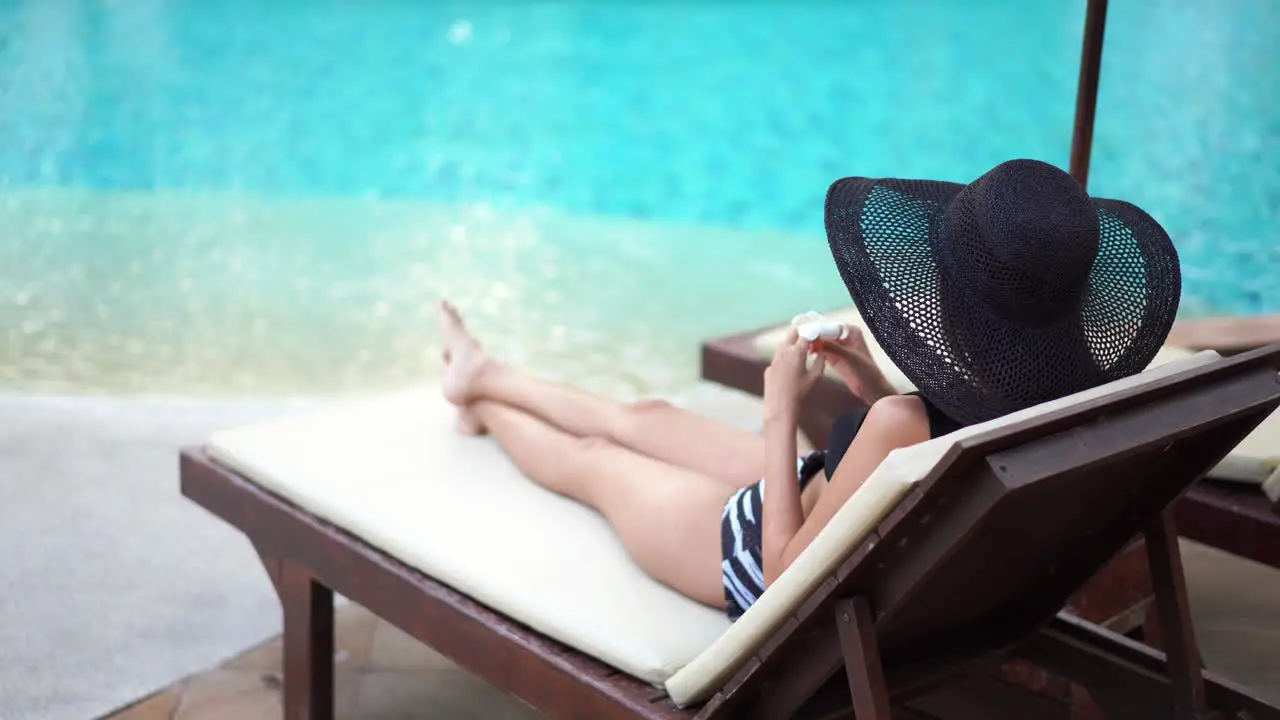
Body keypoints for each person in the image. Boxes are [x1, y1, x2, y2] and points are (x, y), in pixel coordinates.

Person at [435, 158, 1181, 621]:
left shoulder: (896, 425)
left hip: (757, 558)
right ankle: (484, 375)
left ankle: (483, 407)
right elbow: (922, 444)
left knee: (596, 458)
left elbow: (786, 576)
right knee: (648, 414)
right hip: (821, 502)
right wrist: (870, 382)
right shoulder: (1048, 409)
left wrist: (779, 412)